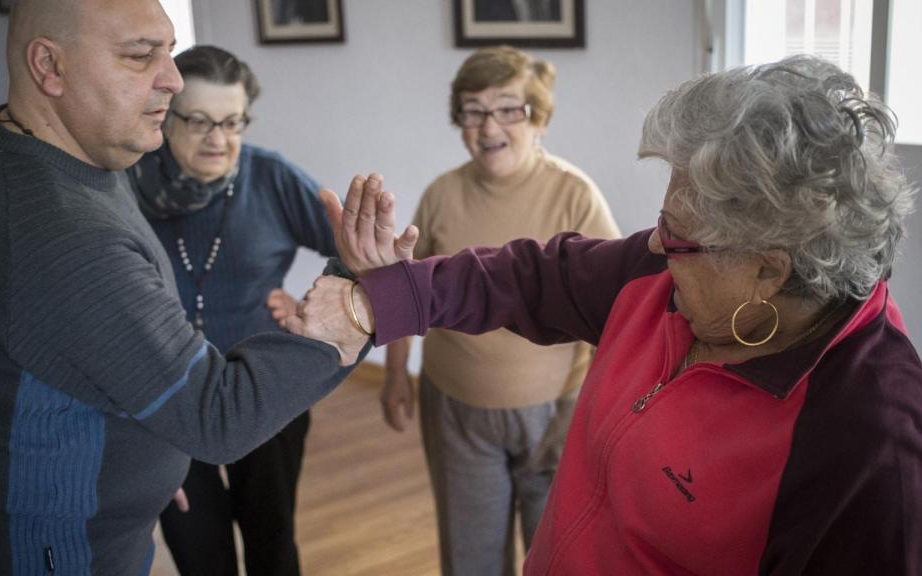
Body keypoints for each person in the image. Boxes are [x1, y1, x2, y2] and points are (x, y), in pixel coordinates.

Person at [291, 55, 922, 574]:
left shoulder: (870, 446)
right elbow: (530, 276)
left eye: (676, 234)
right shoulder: (658, 272)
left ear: (766, 269)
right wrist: (375, 300)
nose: (652, 243)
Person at [0, 1, 361, 574]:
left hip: (78, 505)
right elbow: (218, 417)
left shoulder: (56, 154)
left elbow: (72, 346)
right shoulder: (63, 235)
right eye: (141, 56)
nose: (171, 79)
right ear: (50, 66)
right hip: (52, 542)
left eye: (168, 51)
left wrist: (135, 467)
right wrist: (354, 309)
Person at [381, 45, 619, 576]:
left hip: (556, 415)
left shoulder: (576, 195)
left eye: (509, 108)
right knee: (471, 560)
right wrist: (395, 375)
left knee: (555, 556)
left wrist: (594, 412)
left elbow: (619, 314)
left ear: (539, 118)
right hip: (457, 410)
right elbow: (406, 291)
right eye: (473, 109)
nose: (489, 125)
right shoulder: (442, 194)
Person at [127, 45, 335, 576]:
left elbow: (359, 252)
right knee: (199, 552)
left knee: (272, 541)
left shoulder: (269, 178)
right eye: (198, 121)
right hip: (165, 396)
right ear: (165, 115)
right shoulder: (123, 183)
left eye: (232, 121)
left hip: (264, 390)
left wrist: (313, 307)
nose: (218, 139)